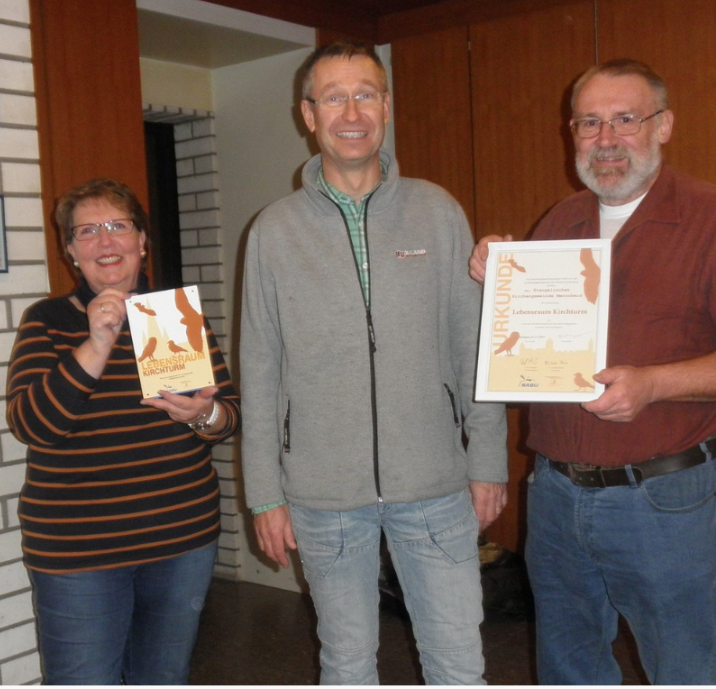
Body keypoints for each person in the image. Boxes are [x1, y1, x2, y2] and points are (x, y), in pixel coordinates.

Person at [469, 59, 716, 685]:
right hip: (557, 496)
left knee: (682, 670)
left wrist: (656, 383)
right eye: (589, 123)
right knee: (569, 669)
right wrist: (497, 273)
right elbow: (528, 345)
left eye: (626, 119)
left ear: (664, 125)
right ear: (572, 135)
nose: (606, 139)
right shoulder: (559, 221)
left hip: (665, 500)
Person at [240, 41, 508, 685]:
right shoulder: (273, 231)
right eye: (334, 96)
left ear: (386, 106)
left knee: (457, 663)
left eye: (365, 93)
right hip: (322, 495)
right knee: (348, 662)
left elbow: (472, 345)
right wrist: (264, 495)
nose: (351, 110)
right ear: (309, 114)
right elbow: (260, 367)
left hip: (436, 487)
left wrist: (488, 459)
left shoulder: (437, 210)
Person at [6, 179, 241, 684]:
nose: (105, 242)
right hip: (79, 554)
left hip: (182, 540)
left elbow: (228, 417)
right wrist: (97, 341)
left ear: (141, 241)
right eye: (87, 232)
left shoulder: (171, 318)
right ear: (71, 251)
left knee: (163, 677)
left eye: (117, 226)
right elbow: (33, 425)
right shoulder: (46, 321)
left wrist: (200, 416)